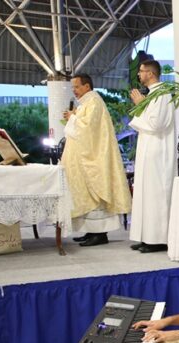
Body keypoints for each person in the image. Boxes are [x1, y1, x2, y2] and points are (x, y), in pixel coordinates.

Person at [62, 73, 131, 246]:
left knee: (94, 193)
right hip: (82, 158)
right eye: (73, 87)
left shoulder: (94, 101)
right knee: (85, 194)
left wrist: (72, 118)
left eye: (77, 87)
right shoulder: (86, 103)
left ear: (87, 86)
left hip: (92, 159)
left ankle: (99, 234)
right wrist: (74, 116)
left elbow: (89, 130)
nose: (74, 90)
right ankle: (91, 230)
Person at [128, 60, 176, 253]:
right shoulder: (153, 93)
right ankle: (146, 237)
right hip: (148, 150)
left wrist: (141, 105)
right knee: (145, 194)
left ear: (151, 73)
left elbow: (157, 124)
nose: (139, 74)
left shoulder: (162, 93)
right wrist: (143, 105)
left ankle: (158, 239)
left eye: (141, 71)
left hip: (158, 152)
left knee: (156, 195)